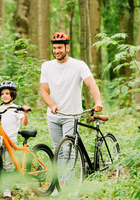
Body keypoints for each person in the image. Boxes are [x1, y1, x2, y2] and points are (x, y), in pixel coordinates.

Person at [40, 32, 103, 186]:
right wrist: (52, 105)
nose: (56, 51)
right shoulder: (47, 66)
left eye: (60, 47)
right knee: (58, 149)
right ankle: (61, 181)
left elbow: (91, 84)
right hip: (53, 115)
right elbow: (43, 91)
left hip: (72, 115)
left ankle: (64, 184)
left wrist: (98, 101)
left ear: (67, 48)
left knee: (68, 149)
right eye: (54, 48)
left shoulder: (79, 65)